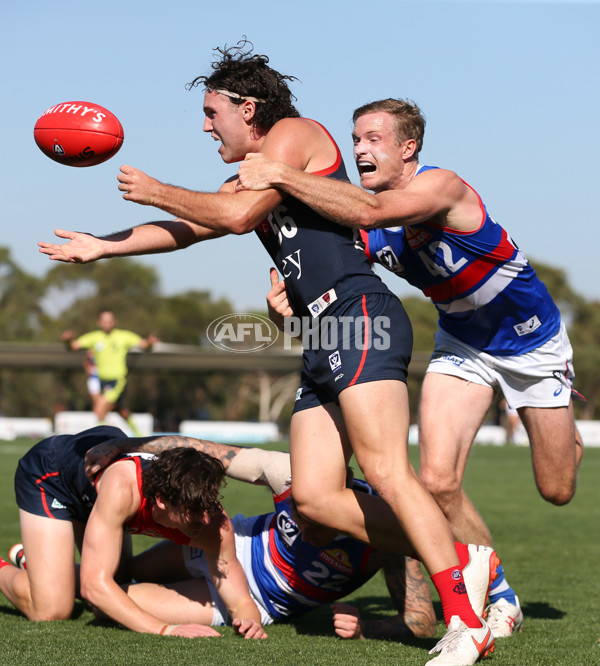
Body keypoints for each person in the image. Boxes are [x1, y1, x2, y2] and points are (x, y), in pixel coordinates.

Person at [39, 41, 494, 664]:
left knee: (387, 471)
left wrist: (154, 189)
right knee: (314, 497)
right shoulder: (255, 173)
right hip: (322, 330)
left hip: (358, 314)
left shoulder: (291, 135)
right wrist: (102, 246)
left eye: (211, 112)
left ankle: (468, 622)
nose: (205, 125)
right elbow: (195, 226)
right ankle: (465, 561)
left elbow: (232, 216)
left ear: (246, 108)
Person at [235, 96, 586, 638]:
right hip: (461, 342)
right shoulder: (366, 225)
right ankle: (495, 594)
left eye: (373, 139)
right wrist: (282, 306)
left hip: (530, 341)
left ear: (408, 147)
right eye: (354, 140)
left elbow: (368, 210)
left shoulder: (442, 186)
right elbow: (332, 276)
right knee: (437, 482)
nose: (359, 150)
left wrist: (280, 172)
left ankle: (564, 435)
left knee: (557, 489)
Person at [84, 435, 436, 639]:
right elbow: (203, 450)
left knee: (107, 604)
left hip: (256, 599)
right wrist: (129, 444)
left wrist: (366, 629)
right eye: (301, 513)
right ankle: (36, 564)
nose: (306, 531)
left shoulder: (384, 531)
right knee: (117, 573)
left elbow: (420, 621)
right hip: (225, 543)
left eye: (321, 520)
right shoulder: (287, 474)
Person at [0, 425, 267, 640]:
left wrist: (249, 618)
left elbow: (238, 596)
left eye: (208, 505)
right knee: (51, 609)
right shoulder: (123, 490)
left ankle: (38, 565)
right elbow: (93, 587)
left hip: (96, 497)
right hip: (52, 478)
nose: (204, 518)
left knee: (118, 579)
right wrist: (164, 629)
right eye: (193, 511)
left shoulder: (207, 515)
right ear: (161, 501)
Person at [62, 309, 158, 435]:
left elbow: (144, 345)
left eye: (109, 320)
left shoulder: (124, 336)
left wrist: (150, 343)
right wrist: (67, 340)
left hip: (117, 381)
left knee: (99, 411)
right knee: (122, 412)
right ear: (99, 322)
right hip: (102, 382)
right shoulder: (94, 337)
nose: (107, 323)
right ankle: (140, 437)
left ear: (114, 322)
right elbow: (73, 346)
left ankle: (104, 440)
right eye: (104, 320)